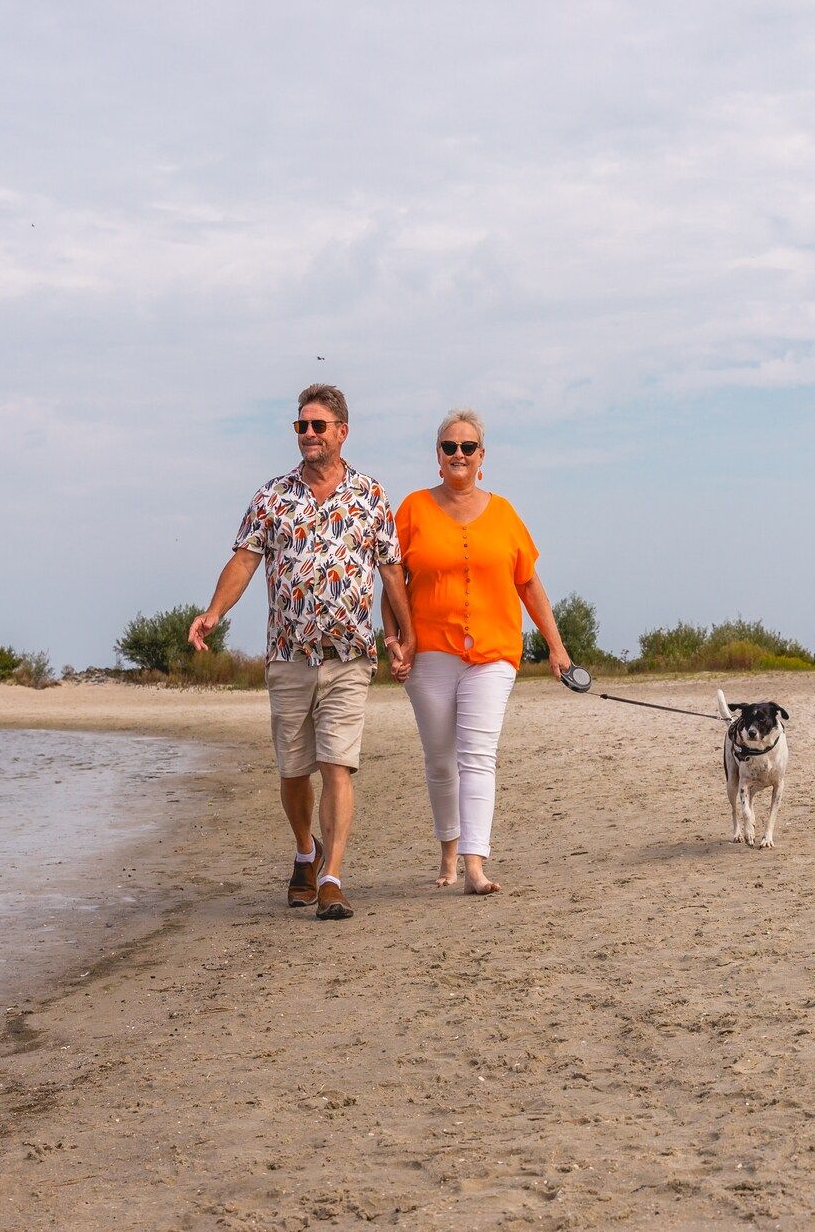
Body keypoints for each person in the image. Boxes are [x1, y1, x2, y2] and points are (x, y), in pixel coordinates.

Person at [188, 385, 414, 921]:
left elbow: (390, 570)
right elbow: (244, 561)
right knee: (294, 770)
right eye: (301, 426)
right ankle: (305, 853)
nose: (309, 434)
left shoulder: (370, 496)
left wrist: (407, 631)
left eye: (318, 426)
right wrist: (214, 613)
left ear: (342, 432)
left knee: (337, 764)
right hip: (288, 654)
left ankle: (332, 877)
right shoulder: (272, 496)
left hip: (350, 654)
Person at [384, 408, 571, 896]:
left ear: (482, 457)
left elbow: (528, 582)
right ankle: (448, 847)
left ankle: (474, 864)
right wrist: (395, 641)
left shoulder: (505, 513)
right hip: (429, 655)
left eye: (468, 447)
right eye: (450, 447)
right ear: (438, 457)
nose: (459, 454)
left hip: (493, 653)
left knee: (478, 755)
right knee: (440, 759)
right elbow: (390, 583)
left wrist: (557, 648)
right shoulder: (412, 509)